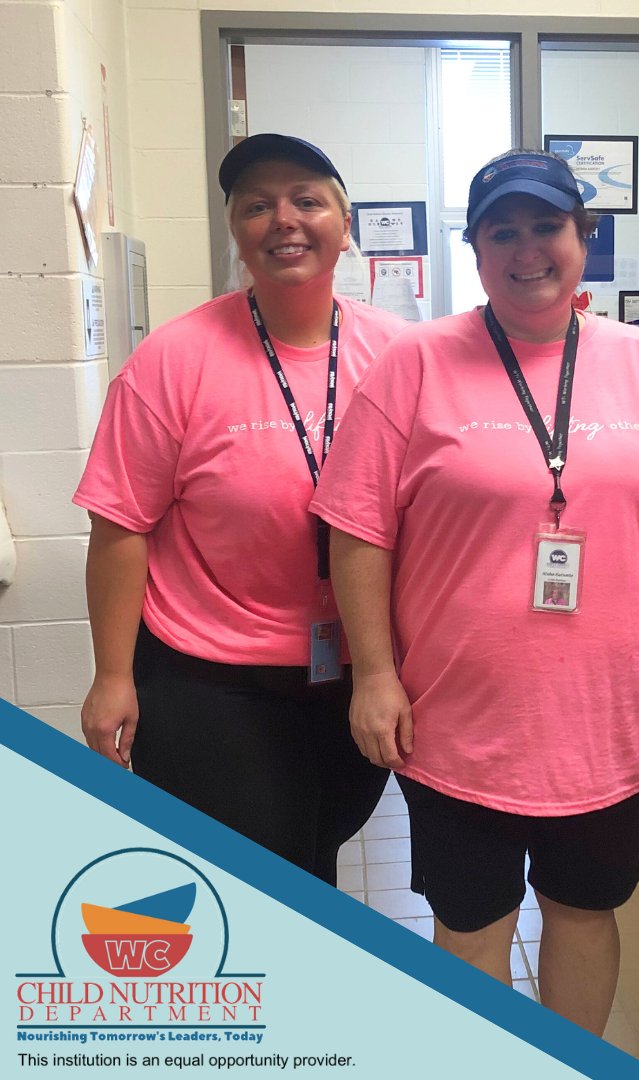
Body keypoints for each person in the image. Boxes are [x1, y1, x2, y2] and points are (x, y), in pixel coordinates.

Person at [310, 150, 639, 1035]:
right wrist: (375, 674)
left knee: (585, 913)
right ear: (475, 249)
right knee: (472, 924)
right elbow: (358, 528)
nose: (527, 250)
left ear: (583, 238)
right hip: (461, 717)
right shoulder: (415, 363)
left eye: (547, 227)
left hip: (604, 711)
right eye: (501, 232)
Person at [75, 134, 405, 885]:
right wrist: (112, 676)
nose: (283, 219)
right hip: (211, 678)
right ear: (235, 230)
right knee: (262, 876)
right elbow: (120, 524)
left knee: (315, 848)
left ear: (344, 223)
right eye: (257, 206)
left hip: (352, 668)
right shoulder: (174, 359)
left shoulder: (399, 354)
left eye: (306, 200)